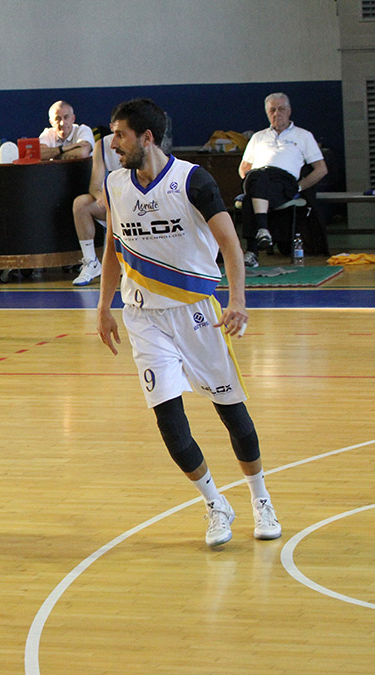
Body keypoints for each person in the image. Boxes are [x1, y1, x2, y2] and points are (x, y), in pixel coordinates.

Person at [96, 98, 281, 547]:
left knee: (231, 412)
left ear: (147, 137)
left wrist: (237, 301)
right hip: (143, 316)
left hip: (197, 312)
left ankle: (261, 498)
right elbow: (113, 248)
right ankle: (215, 503)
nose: (113, 144)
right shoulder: (115, 184)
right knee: (170, 421)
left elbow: (231, 246)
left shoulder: (193, 181)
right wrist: (103, 306)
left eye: (120, 135)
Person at [238, 93, 327, 267]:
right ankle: (263, 230)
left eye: (281, 109)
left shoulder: (303, 136)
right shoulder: (258, 137)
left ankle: (252, 251)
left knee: (254, 190)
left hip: (284, 182)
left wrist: (299, 187)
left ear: (289, 111)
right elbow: (243, 168)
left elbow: (321, 169)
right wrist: (250, 184)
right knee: (256, 181)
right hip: (259, 179)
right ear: (266, 113)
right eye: (272, 110)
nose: (277, 113)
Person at [70, 133, 123, 286]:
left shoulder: (140, 141)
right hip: (113, 204)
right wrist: (100, 196)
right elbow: (94, 186)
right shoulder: (102, 145)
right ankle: (91, 262)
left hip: (137, 205)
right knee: (81, 203)